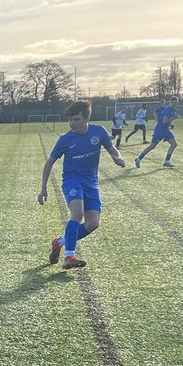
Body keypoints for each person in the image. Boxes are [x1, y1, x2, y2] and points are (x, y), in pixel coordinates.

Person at [37, 99, 126, 271]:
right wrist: (43, 188)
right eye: (70, 119)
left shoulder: (98, 132)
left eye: (76, 119)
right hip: (72, 181)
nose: (72, 123)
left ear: (86, 119)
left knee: (93, 223)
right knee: (77, 213)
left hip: (91, 183)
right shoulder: (65, 139)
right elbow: (49, 163)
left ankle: (60, 242)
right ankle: (69, 255)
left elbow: (112, 149)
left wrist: (118, 158)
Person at [135, 97, 179, 168]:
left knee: (174, 144)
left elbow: (164, 120)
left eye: (176, 102)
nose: (175, 103)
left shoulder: (173, 109)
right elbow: (164, 120)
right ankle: (138, 159)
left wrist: (170, 124)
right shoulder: (168, 109)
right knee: (152, 146)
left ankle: (167, 161)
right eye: (173, 102)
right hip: (160, 130)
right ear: (170, 102)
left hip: (165, 130)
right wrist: (174, 118)